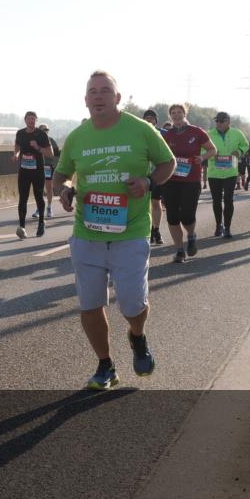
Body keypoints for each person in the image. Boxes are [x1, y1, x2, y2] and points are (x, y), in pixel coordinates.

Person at [53, 71, 175, 390]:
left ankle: (137, 336)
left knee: (132, 305)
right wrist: (65, 189)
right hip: (87, 232)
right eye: (92, 91)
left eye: (105, 90)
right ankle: (105, 365)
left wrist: (148, 181)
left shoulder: (141, 129)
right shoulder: (78, 137)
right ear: (85, 99)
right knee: (90, 304)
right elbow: (61, 175)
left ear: (117, 97)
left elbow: (168, 162)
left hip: (130, 233)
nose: (98, 96)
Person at [161, 104, 215, 263]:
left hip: (191, 180)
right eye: (173, 113)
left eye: (179, 112)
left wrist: (203, 158)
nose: (176, 115)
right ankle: (179, 251)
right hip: (171, 180)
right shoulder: (167, 135)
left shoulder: (197, 132)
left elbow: (212, 150)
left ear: (185, 114)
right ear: (170, 116)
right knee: (172, 217)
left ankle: (191, 235)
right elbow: (159, 154)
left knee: (187, 215)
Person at [205, 111, 248, 239]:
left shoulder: (237, 133)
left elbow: (245, 145)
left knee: (228, 200)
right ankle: (219, 225)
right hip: (214, 173)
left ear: (228, 122)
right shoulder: (209, 134)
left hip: (230, 172)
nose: (219, 123)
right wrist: (212, 154)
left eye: (222, 121)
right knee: (216, 201)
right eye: (217, 121)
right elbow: (202, 149)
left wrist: (239, 151)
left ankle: (227, 227)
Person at [11, 111, 53, 238]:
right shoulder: (20, 133)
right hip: (24, 170)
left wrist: (38, 147)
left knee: (38, 196)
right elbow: (17, 145)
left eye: (33, 119)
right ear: (25, 120)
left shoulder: (41, 134)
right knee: (22, 198)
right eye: (29, 119)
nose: (31, 121)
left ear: (36, 121)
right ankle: (22, 226)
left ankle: (41, 223)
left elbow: (50, 153)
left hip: (37, 171)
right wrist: (16, 155)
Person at [142, 109, 167, 245]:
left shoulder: (164, 133)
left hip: (158, 173)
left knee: (156, 202)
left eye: (151, 118)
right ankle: (146, 230)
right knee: (144, 204)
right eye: (146, 118)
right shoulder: (138, 132)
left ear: (156, 120)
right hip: (141, 173)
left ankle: (156, 230)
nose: (149, 120)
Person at [33, 124, 60, 220]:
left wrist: (55, 166)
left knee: (48, 187)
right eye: (43, 130)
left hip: (48, 166)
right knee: (38, 188)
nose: (45, 131)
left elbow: (57, 155)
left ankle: (49, 207)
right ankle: (39, 208)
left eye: (46, 130)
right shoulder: (35, 141)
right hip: (37, 166)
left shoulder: (51, 141)